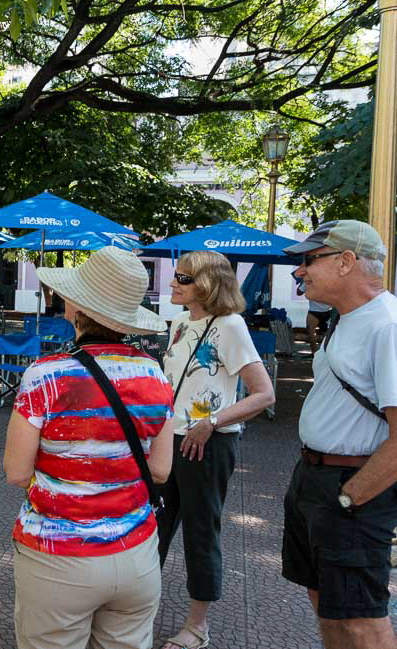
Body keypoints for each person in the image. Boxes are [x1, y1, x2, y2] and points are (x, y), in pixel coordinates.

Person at [3, 246, 175, 649]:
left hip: (58, 555)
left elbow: (16, 471)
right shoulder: (154, 373)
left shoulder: (45, 375)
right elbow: (162, 470)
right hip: (136, 554)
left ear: (79, 307)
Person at [280, 220, 397, 649]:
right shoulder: (347, 320)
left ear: (347, 261)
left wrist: (349, 498)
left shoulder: (387, 325)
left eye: (311, 259)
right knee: (327, 602)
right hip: (317, 478)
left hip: (351, 487)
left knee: (362, 619)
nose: (299, 271)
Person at [157, 251, 275, 649]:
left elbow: (263, 394)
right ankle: (135, 610)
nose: (173, 282)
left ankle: (196, 627)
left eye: (183, 278)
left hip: (205, 446)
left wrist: (212, 422)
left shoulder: (230, 326)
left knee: (200, 531)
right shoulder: (178, 322)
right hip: (168, 441)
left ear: (206, 285)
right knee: (150, 528)